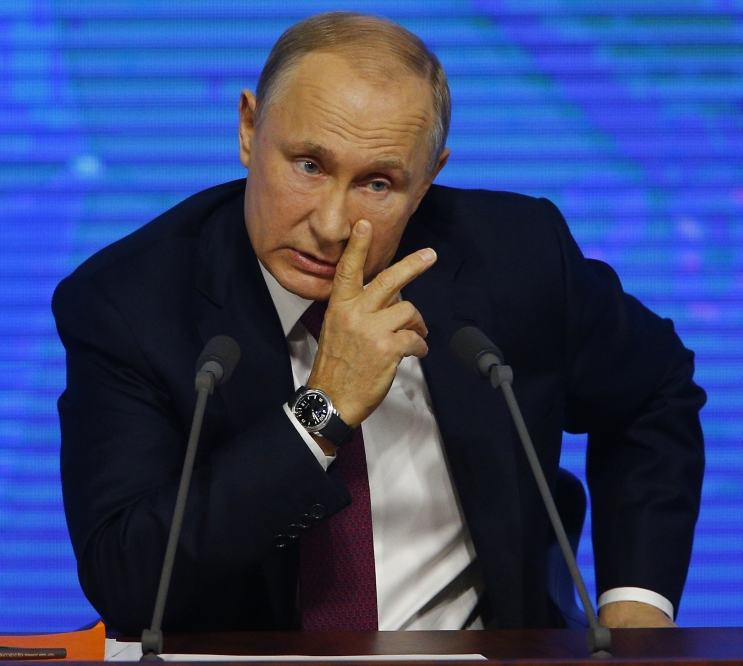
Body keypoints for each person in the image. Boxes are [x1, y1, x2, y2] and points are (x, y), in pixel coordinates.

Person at [53, 12, 705, 636]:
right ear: (249, 129)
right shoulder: (131, 305)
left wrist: (638, 606)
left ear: (428, 180)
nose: (331, 225)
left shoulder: (517, 257)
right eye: (308, 165)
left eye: (378, 184)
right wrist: (324, 408)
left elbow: (654, 391)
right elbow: (129, 579)